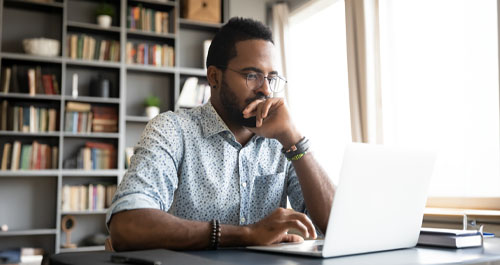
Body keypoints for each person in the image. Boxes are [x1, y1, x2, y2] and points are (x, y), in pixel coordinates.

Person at [107, 17, 335, 251]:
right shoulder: (172, 130)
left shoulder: (282, 141)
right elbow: (127, 225)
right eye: (252, 75)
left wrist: (294, 140)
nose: (266, 89)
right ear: (214, 77)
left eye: (271, 78)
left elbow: (336, 225)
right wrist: (246, 235)